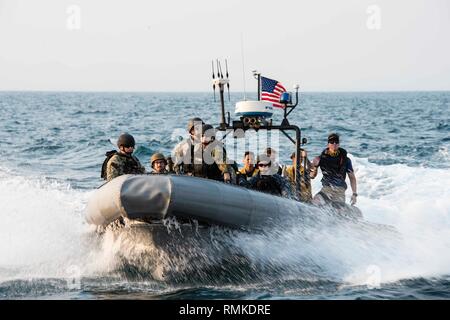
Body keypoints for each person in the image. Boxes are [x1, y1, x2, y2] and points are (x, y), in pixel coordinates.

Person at [310, 133, 357, 206]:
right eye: (331, 142)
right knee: (315, 202)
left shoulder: (346, 160)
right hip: (326, 189)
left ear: (338, 144)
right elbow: (312, 176)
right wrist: (315, 168)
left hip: (339, 190)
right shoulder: (320, 159)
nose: (334, 144)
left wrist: (354, 194)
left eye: (336, 142)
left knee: (337, 211)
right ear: (328, 144)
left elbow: (352, 177)